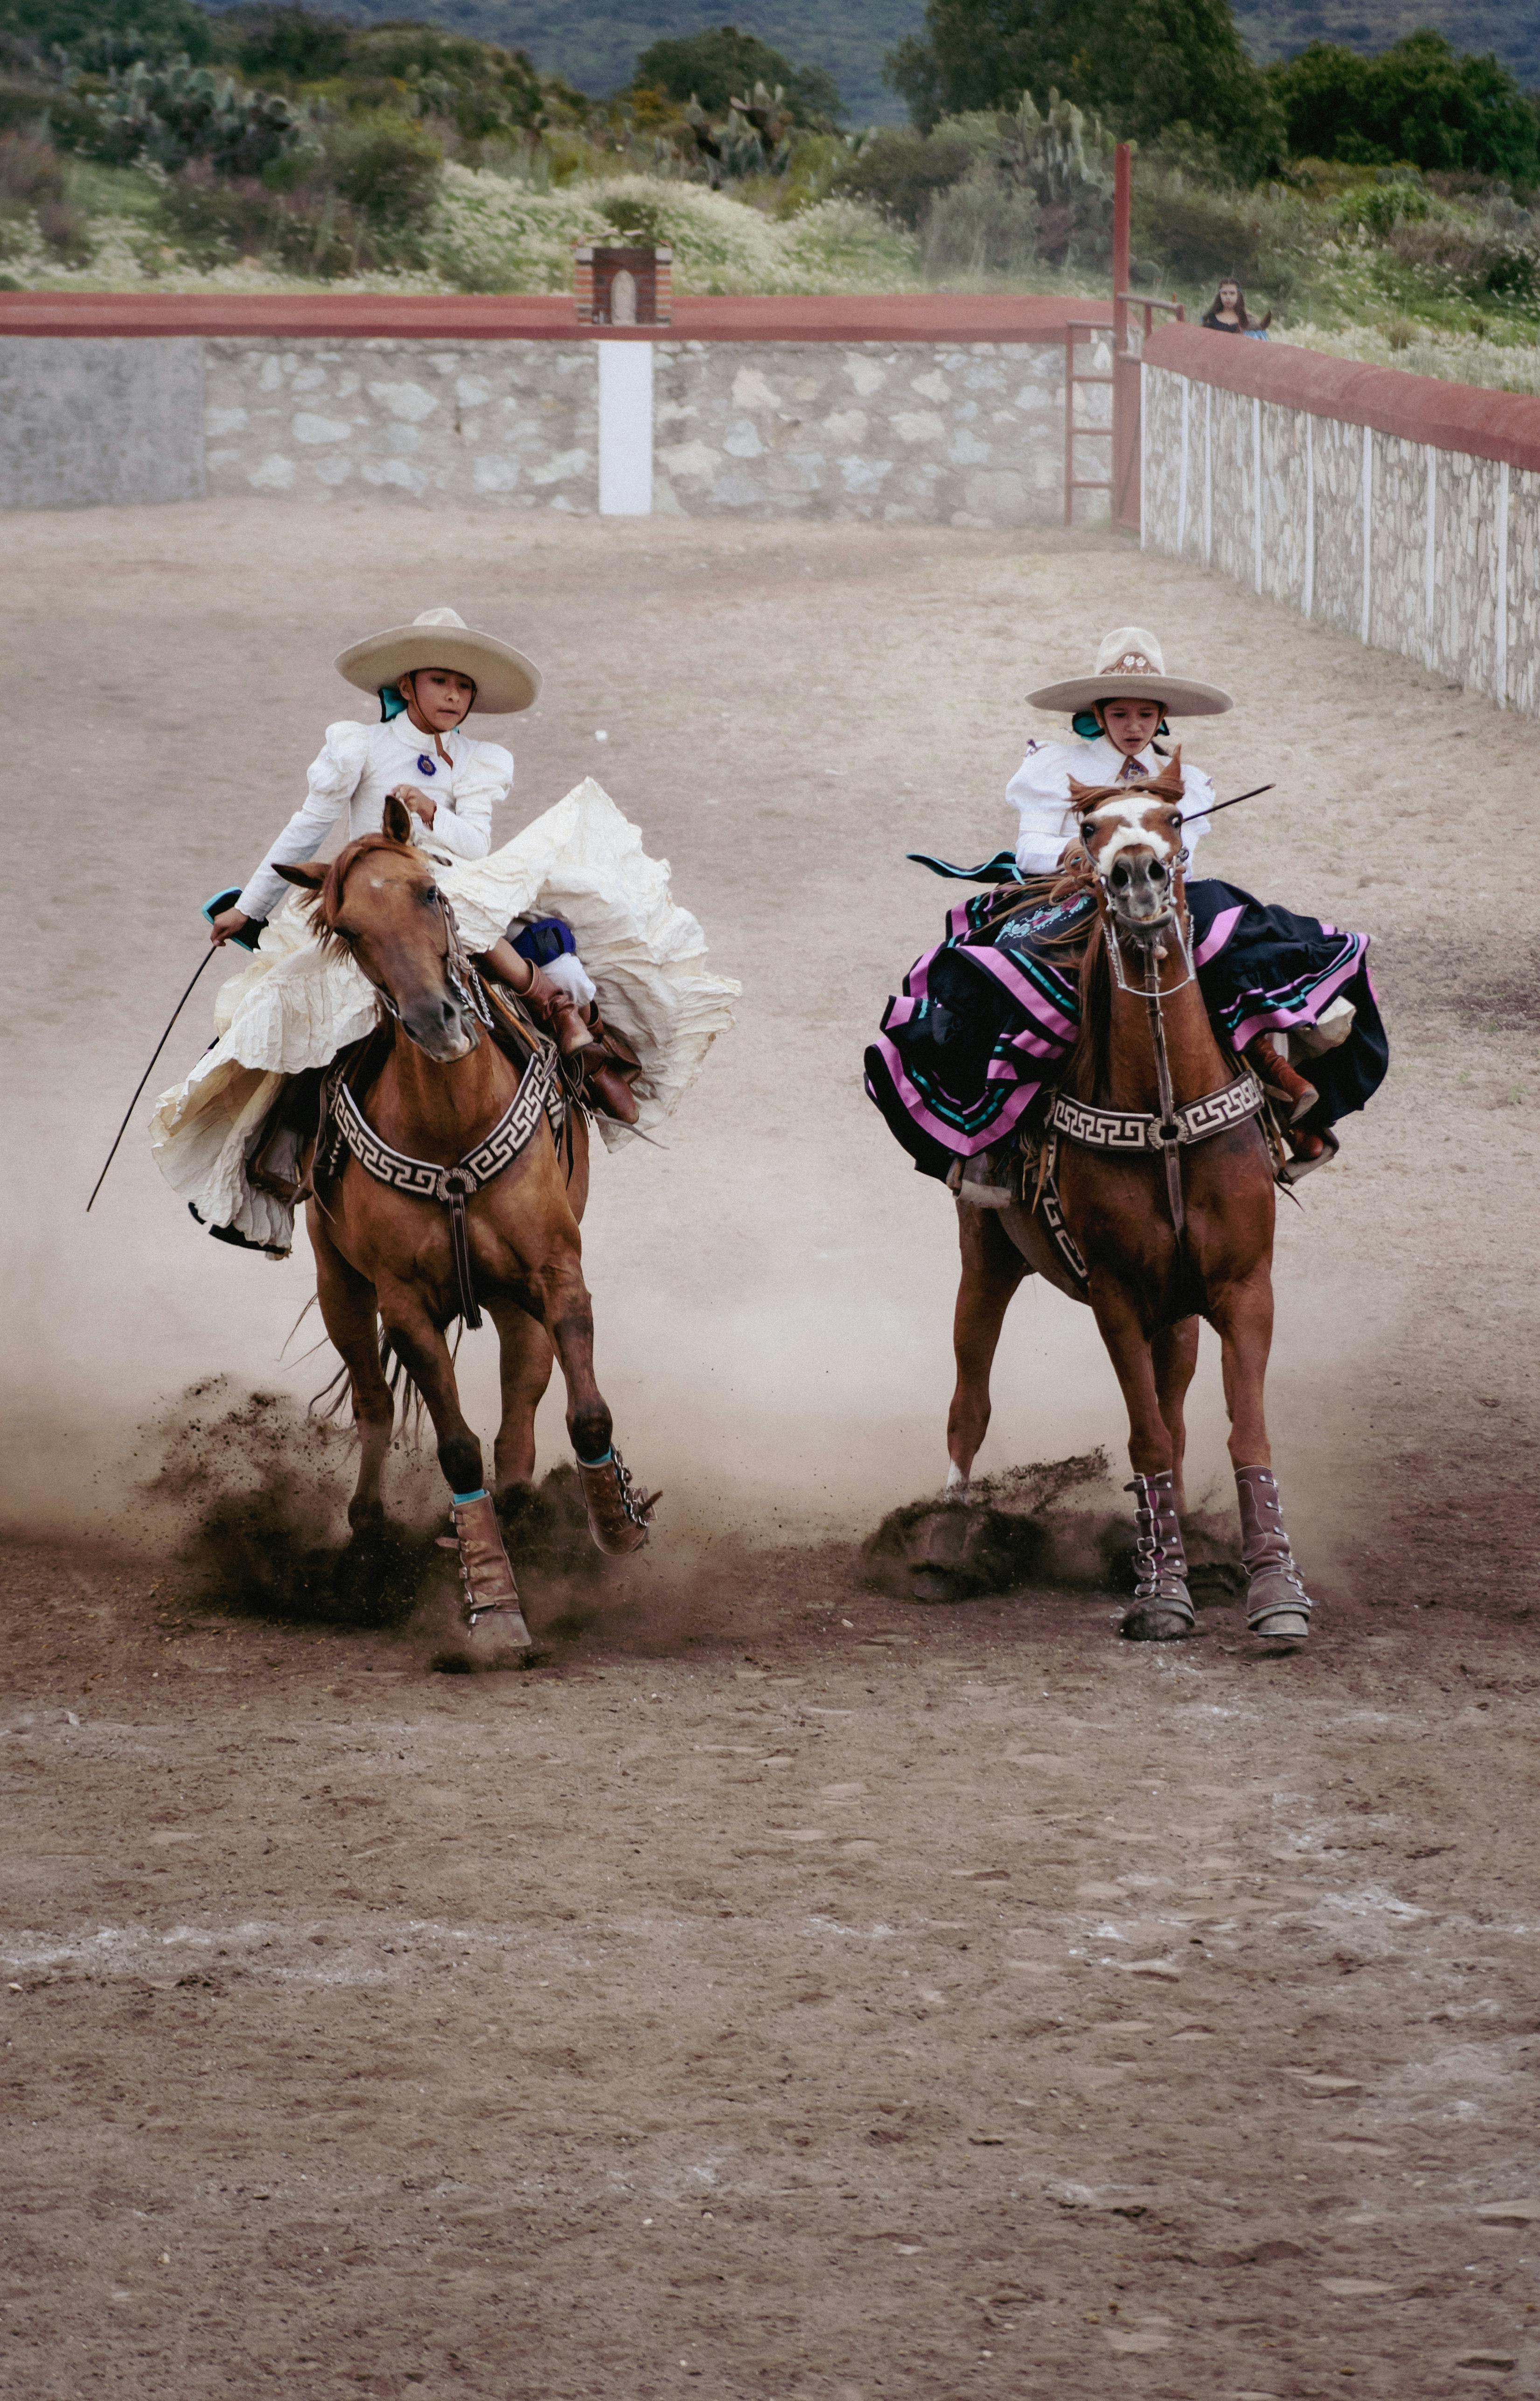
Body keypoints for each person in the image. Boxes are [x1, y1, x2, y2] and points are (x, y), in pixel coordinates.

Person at [153, 606, 739, 1255]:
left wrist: (431, 815)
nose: (455, 696)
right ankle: (285, 1140)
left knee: (549, 953)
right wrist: (252, 907)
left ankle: (577, 1048)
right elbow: (307, 830)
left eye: (465, 686)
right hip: (371, 901)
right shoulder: (359, 748)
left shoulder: (479, 760)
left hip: (453, 890)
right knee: (295, 1004)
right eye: (440, 681)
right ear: (407, 687)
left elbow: (477, 842)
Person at [864, 625, 1387, 1204]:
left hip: (1158, 898)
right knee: (1002, 979)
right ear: (1098, 714)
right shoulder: (1057, 766)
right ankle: (998, 1145)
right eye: (1120, 713)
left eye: (1145, 713)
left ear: (1161, 716)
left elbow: (1186, 858)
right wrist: (1074, 853)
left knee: (1232, 931)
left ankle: (1286, 1093)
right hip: (1069, 899)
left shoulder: (1185, 782)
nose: (1133, 725)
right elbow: (1029, 846)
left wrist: (1164, 862)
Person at [1202, 279, 1271, 338]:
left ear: (1238, 295)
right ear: (1220, 295)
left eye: (1232, 293)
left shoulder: (1250, 321)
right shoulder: (1210, 319)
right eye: (1224, 293)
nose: (1228, 297)